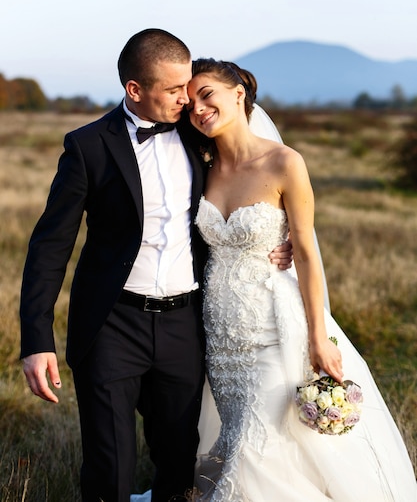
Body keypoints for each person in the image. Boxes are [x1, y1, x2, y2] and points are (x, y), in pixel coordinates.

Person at [19, 29, 292, 502]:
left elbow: (259, 180)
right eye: (173, 90)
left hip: (186, 323)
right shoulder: (88, 147)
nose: (187, 99)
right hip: (111, 324)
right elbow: (50, 245)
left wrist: (278, 238)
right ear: (135, 90)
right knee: (111, 464)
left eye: (188, 86)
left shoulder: (198, 131)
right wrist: (35, 338)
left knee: (178, 459)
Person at [186, 58, 417, 502]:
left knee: (259, 449)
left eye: (207, 94)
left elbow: (307, 252)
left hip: (273, 326)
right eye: (191, 101)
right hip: (219, 336)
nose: (198, 108)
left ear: (238, 93)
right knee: (242, 437)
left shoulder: (284, 163)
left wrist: (318, 336)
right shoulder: (202, 165)